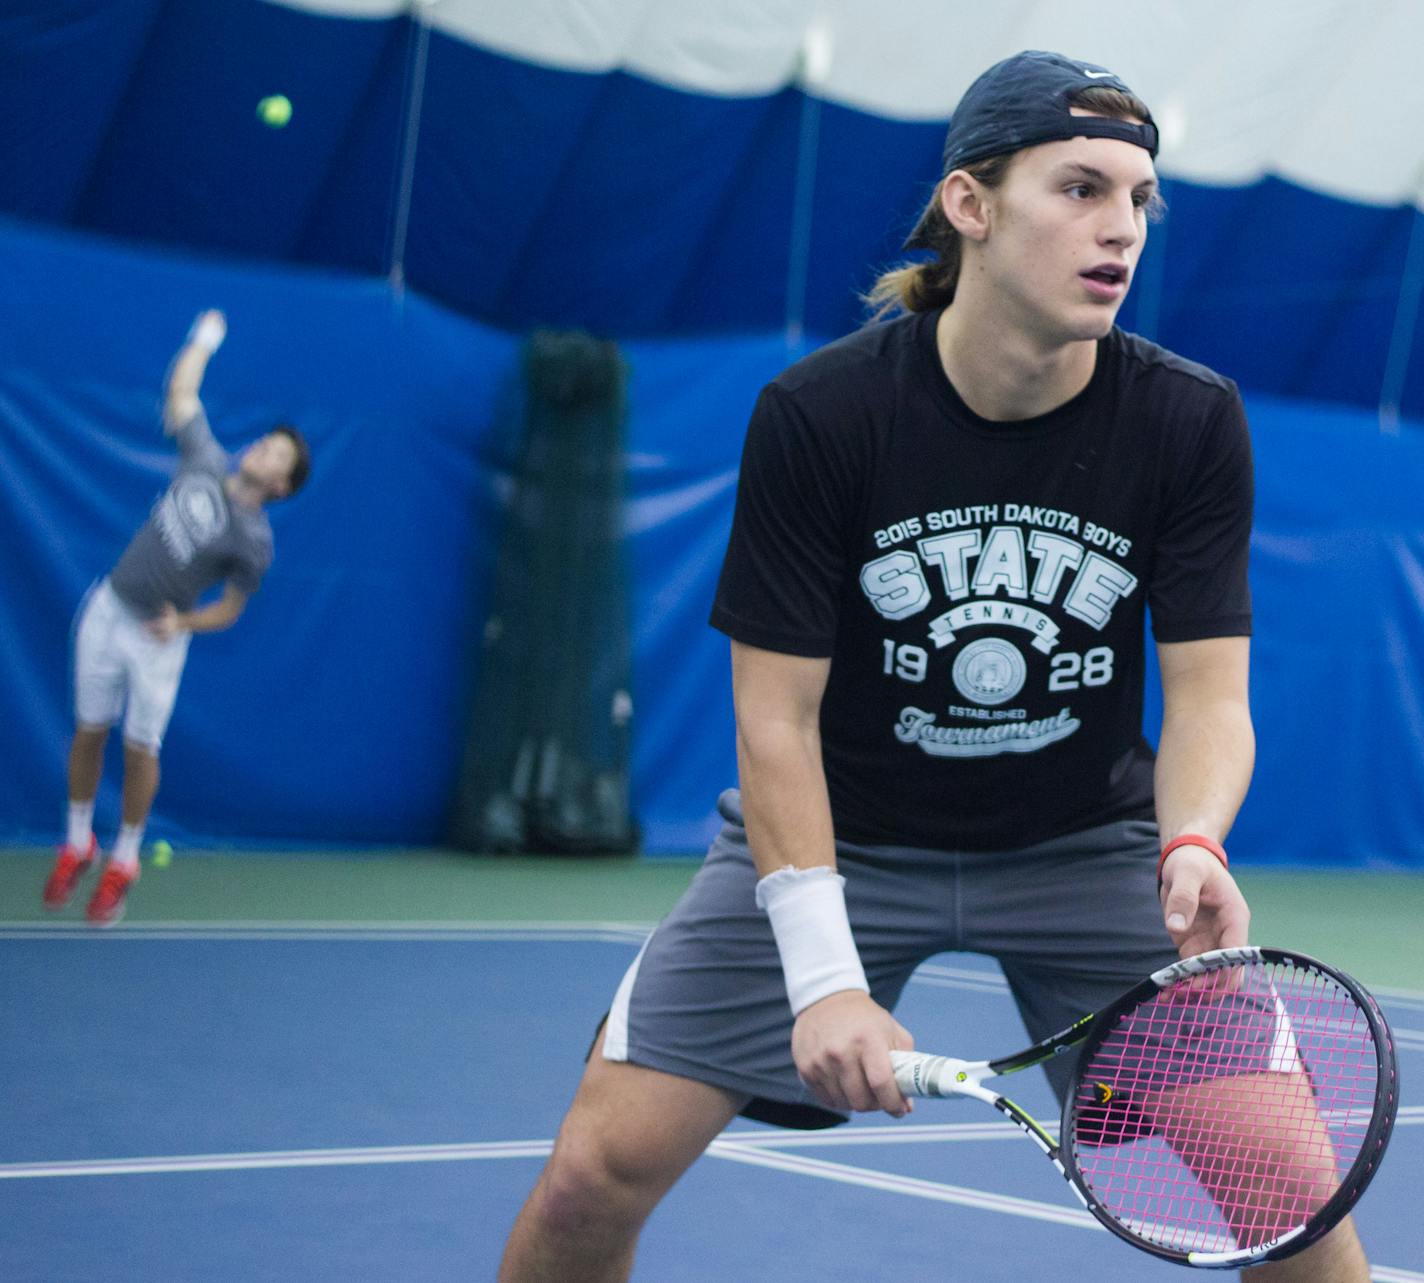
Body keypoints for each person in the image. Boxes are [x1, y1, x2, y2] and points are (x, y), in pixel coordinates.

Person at [499, 51, 1370, 1282]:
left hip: (1085, 846)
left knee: (1291, 1209)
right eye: (1077, 188)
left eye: (1136, 200)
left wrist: (1193, 842)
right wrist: (822, 977)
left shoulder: (1185, 419)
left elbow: (1211, 698)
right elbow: (774, 725)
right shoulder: (823, 415)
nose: (1118, 228)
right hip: (834, 836)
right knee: (593, 1175)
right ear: (969, 204)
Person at [42, 310, 310, 926]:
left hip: (155, 640)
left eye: (279, 454)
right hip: (107, 609)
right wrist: (204, 340)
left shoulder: (255, 543)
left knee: (140, 750)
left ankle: (125, 860)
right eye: (269, 440)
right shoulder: (204, 458)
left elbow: (231, 610)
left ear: (282, 486)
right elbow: (182, 391)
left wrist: (180, 626)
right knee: (88, 731)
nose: (265, 448)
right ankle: (78, 841)